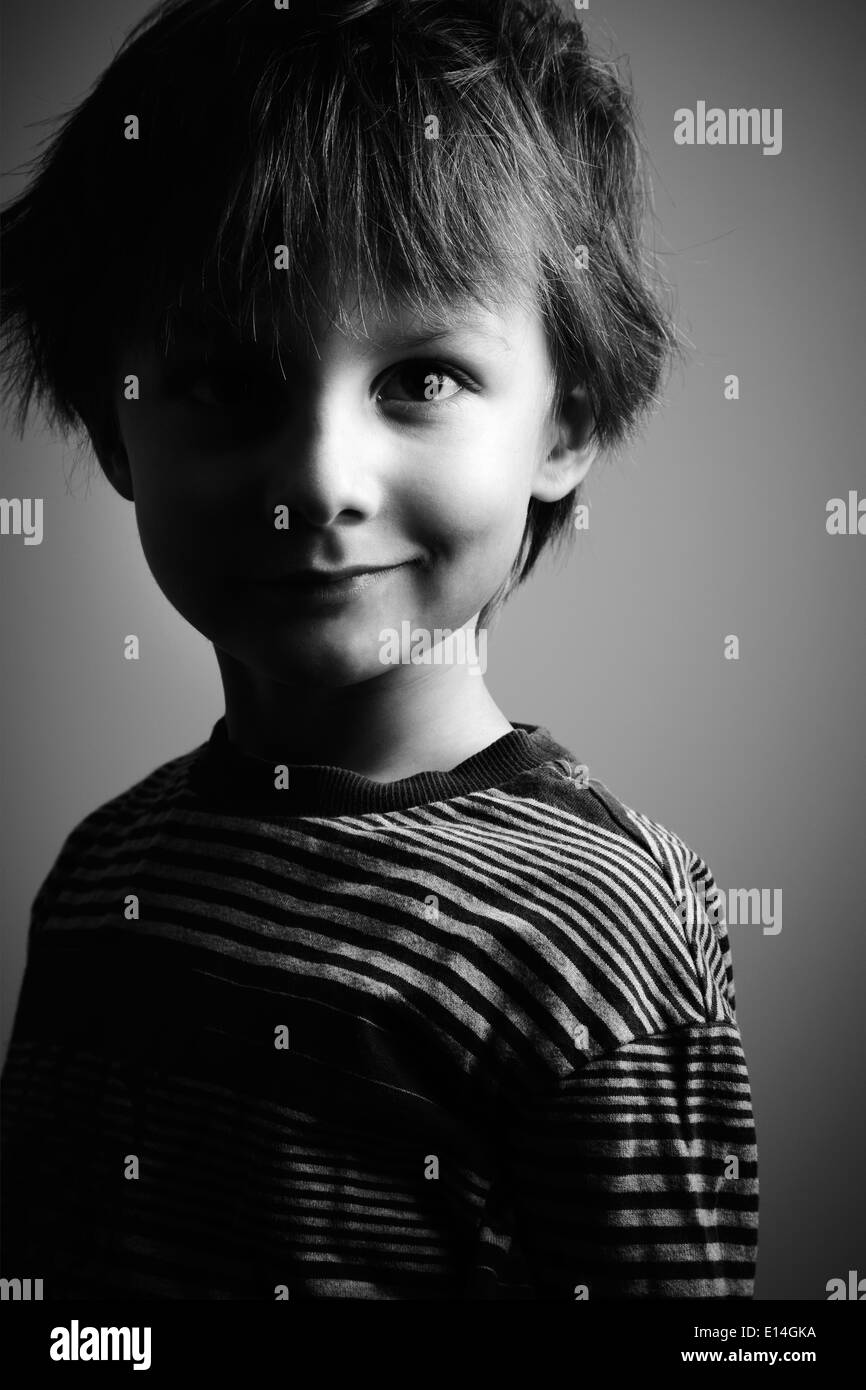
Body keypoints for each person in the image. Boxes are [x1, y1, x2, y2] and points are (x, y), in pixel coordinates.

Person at [0, 0, 758, 1298]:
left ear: (563, 424)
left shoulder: (591, 934)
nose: (315, 478)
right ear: (115, 429)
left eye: (419, 377)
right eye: (230, 382)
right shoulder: (101, 868)